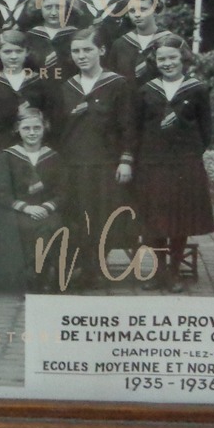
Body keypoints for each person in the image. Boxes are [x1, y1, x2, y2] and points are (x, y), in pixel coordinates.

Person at [133, 35, 214, 293]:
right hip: (152, 163)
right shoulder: (147, 90)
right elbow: (137, 128)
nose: (167, 63)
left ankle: (174, 271)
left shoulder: (197, 89)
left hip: (184, 164)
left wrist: (190, 153)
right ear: (154, 61)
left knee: (179, 219)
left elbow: (206, 129)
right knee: (156, 219)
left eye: (172, 57)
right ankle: (158, 271)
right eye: (162, 58)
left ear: (183, 59)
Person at [58, 26, 136, 283]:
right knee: (77, 215)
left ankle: (97, 267)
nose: (81, 56)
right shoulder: (67, 87)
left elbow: (128, 125)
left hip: (104, 162)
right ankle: (84, 266)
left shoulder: (116, 84)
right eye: (76, 51)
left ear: (101, 50)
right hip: (74, 162)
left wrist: (125, 160)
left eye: (87, 50)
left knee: (102, 215)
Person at [0, 104, 65, 293]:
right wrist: (26, 208)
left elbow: (63, 192)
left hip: (45, 209)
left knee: (53, 225)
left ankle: (42, 274)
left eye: (36, 128)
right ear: (18, 130)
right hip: (17, 209)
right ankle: (24, 277)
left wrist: (46, 207)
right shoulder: (8, 156)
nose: (32, 133)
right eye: (26, 128)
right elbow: (1, 192)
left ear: (44, 128)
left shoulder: (53, 157)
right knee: (14, 226)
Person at [0, 30, 51, 150]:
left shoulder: (37, 81)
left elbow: (47, 115)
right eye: (7, 52)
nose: (13, 56)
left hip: (29, 147)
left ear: (27, 52)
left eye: (19, 51)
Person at [106, 0, 170, 84]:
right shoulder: (120, 45)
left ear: (155, 11)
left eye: (143, 9)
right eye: (132, 11)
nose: (137, 14)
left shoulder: (170, 40)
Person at [25, 0, 74, 75]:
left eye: (59, 7)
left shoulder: (75, 35)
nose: (54, 13)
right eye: (48, 7)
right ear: (40, 8)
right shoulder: (30, 36)